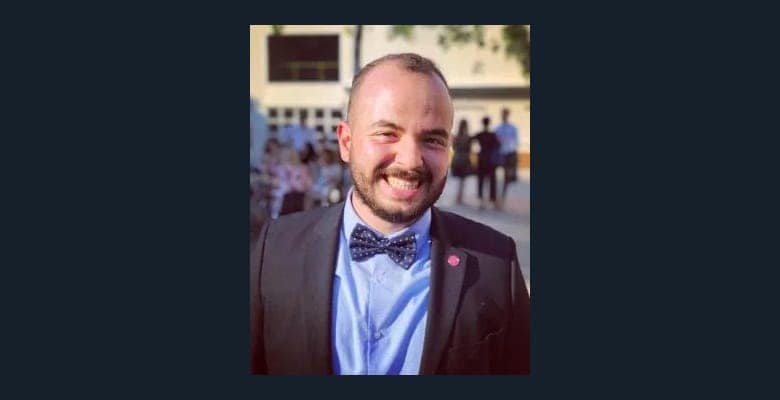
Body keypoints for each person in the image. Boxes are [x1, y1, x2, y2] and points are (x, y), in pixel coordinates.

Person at [250, 53, 529, 375]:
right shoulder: (275, 249)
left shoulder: (496, 264)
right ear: (346, 142)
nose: (410, 161)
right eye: (387, 133)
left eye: (432, 139)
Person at [472, 116, 501, 210]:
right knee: (492, 181)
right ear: (489, 123)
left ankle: (481, 201)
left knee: (481, 180)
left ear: (482, 123)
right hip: (491, 160)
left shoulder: (480, 134)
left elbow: (470, 140)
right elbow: (498, 145)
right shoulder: (493, 135)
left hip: (481, 159)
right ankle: (492, 200)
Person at [495, 108, 519, 200]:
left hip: (509, 154)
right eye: (502, 114)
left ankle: (503, 195)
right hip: (500, 154)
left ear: (508, 115)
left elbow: (515, 142)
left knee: (508, 176)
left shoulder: (512, 128)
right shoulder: (498, 128)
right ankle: (499, 195)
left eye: (505, 114)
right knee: (499, 175)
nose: (504, 116)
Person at [450, 119, 473, 205]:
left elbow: (454, 148)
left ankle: (458, 197)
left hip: (457, 158)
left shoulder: (457, 137)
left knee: (459, 180)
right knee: (462, 180)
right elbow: (469, 149)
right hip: (464, 159)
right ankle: (460, 197)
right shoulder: (468, 138)